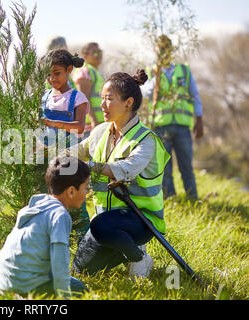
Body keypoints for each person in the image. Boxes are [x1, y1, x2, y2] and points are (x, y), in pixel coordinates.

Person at [69, 70, 170, 278]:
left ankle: (139, 257)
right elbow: (74, 152)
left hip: (140, 219)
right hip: (106, 219)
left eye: (109, 99)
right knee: (81, 270)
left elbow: (125, 170)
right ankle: (124, 250)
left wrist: (87, 166)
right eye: (102, 99)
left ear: (128, 102)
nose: (102, 105)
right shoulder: (100, 132)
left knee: (99, 226)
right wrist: (50, 154)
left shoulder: (146, 140)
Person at [0, 156, 89, 298]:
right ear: (71, 191)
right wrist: (64, 297)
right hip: (25, 285)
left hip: (3, 282)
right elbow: (59, 262)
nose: (87, 192)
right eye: (85, 187)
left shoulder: (37, 205)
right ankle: (24, 294)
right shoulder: (60, 215)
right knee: (79, 288)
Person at [141, 35, 204, 200]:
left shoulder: (183, 71)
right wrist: (156, 78)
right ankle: (171, 198)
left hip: (183, 127)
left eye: (166, 49)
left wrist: (199, 119)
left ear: (171, 50)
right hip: (160, 127)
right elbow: (145, 93)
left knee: (186, 166)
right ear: (155, 51)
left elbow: (195, 96)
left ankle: (193, 198)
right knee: (165, 168)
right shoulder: (151, 72)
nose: (163, 52)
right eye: (160, 49)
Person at [40, 49, 91, 240]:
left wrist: (55, 123)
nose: (52, 78)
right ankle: (55, 239)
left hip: (70, 161)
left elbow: (79, 127)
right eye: (49, 74)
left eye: (57, 73)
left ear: (69, 69)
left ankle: (83, 243)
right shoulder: (44, 97)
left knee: (76, 202)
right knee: (50, 199)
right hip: (47, 160)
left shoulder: (77, 98)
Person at [72, 42, 105, 135]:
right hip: (89, 126)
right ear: (84, 55)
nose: (98, 55)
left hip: (98, 124)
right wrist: (94, 120)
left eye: (100, 52)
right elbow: (83, 99)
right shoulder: (85, 71)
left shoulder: (94, 71)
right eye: (94, 52)